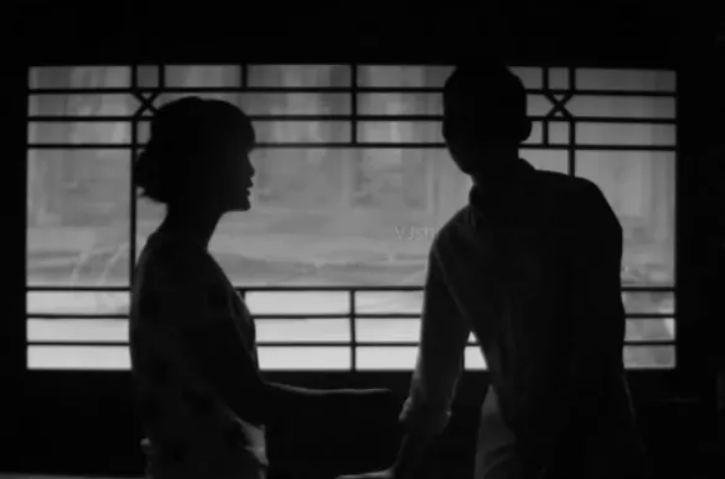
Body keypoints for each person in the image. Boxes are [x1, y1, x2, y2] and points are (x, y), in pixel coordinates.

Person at [337, 62, 651, 479]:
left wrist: (561, 452)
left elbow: (598, 342)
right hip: (514, 435)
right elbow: (435, 373)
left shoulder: (576, 207)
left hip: (594, 439)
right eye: (455, 119)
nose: (463, 132)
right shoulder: (453, 244)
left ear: (522, 128)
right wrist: (401, 470)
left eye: (482, 119)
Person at [128, 96, 392, 479]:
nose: (251, 171)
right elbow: (249, 397)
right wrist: (368, 405)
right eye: (240, 156)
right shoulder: (182, 267)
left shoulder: (170, 255)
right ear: (206, 166)